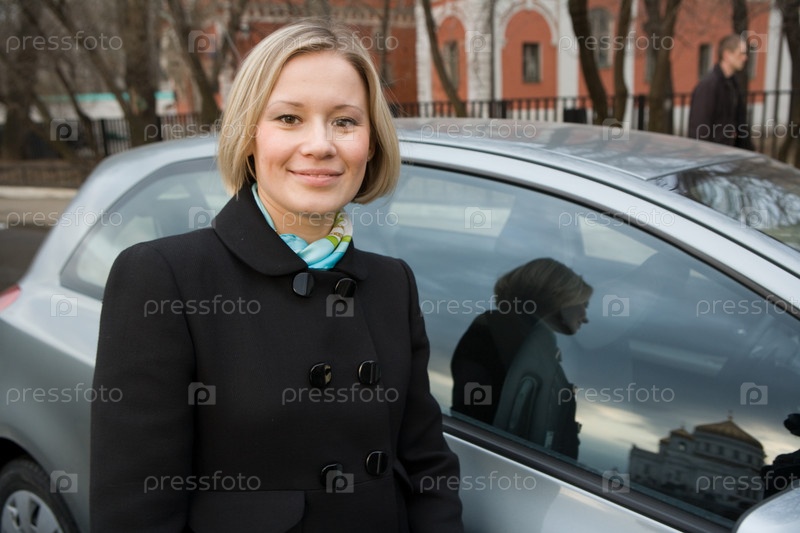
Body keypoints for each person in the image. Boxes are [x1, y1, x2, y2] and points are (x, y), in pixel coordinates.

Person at [91, 20, 464, 533]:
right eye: (289, 118)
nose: (320, 145)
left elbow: (427, 467)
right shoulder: (165, 278)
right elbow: (137, 509)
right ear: (249, 136)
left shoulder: (392, 283)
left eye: (345, 121)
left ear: (372, 142)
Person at [451, 258, 591, 459]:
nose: (585, 317)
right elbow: (473, 420)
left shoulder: (538, 350)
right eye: (584, 304)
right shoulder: (494, 334)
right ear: (559, 298)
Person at [687, 34, 754, 150]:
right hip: (713, 156)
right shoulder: (709, 86)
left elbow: (740, 126)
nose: (745, 58)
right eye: (741, 54)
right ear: (727, 55)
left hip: (729, 154)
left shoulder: (733, 85)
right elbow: (699, 130)